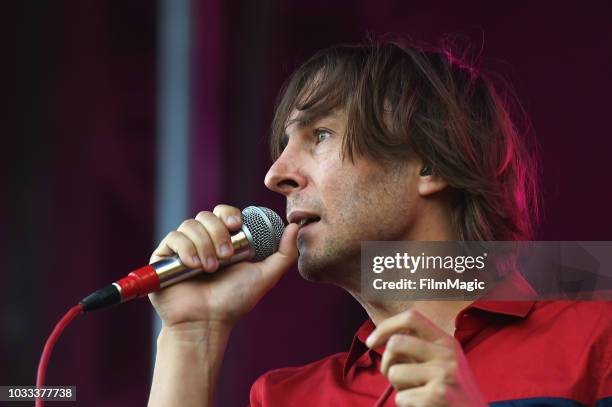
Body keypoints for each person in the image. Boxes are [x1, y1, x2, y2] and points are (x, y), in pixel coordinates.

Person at [146, 41, 612, 406]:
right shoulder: (284, 397)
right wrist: (191, 336)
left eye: (320, 135)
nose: (275, 175)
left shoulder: (598, 339)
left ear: (431, 163)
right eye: (285, 144)